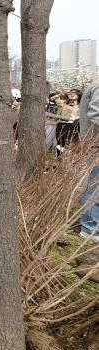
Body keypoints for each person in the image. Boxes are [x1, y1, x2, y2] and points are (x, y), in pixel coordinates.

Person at [79, 80, 99, 242]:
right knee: (95, 188)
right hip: (96, 145)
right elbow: (96, 116)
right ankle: (89, 229)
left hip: (94, 144)